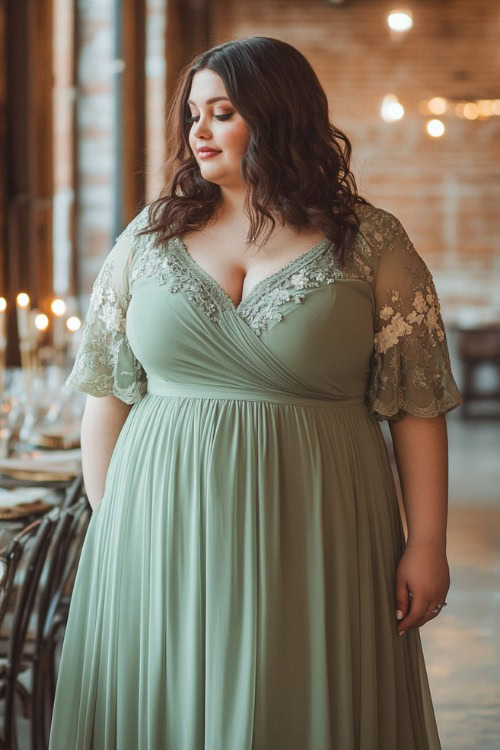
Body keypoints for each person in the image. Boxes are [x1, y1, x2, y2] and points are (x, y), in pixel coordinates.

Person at [49, 36, 462, 749]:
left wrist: (427, 544)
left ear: (276, 118)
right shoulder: (147, 239)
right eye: (193, 115)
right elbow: (106, 391)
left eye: (223, 112)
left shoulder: (370, 242)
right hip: (159, 522)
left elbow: (417, 405)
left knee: (298, 702)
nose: (198, 132)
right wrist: (115, 522)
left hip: (321, 519)